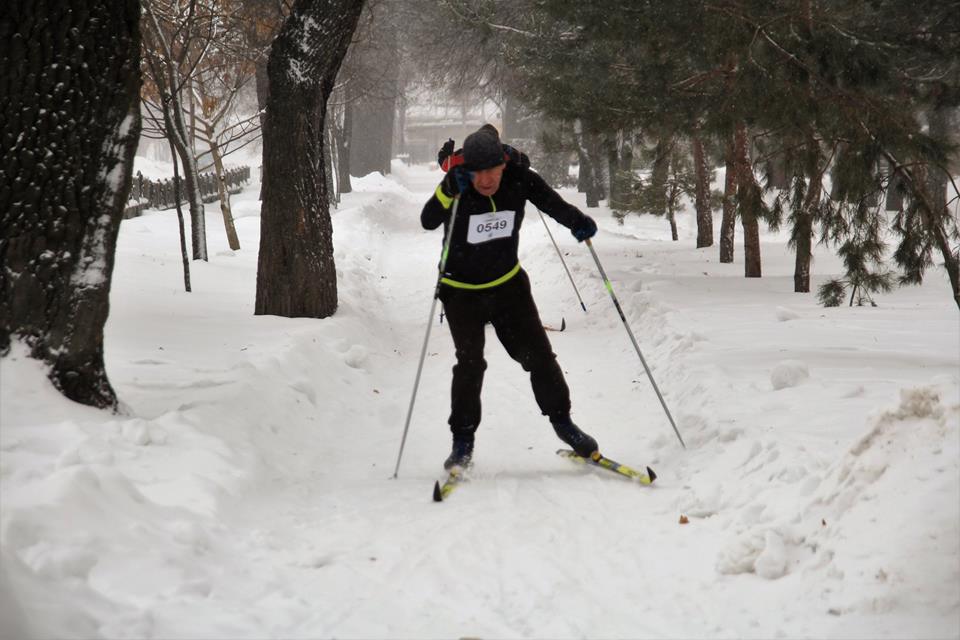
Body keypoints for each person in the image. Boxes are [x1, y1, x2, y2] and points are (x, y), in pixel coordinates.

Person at [421, 124, 600, 471]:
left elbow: (551, 202)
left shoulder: (519, 177)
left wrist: (578, 222)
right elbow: (429, 220)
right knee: (470, 363)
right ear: (467, 169)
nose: (485, 180)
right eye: (478, 172)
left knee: (540, 357)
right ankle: (462, 442)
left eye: (492, 171)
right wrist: (446, 193)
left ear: (503, 164)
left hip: (508, 287)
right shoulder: (456, 183)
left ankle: (564, 424)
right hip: (461, 292)